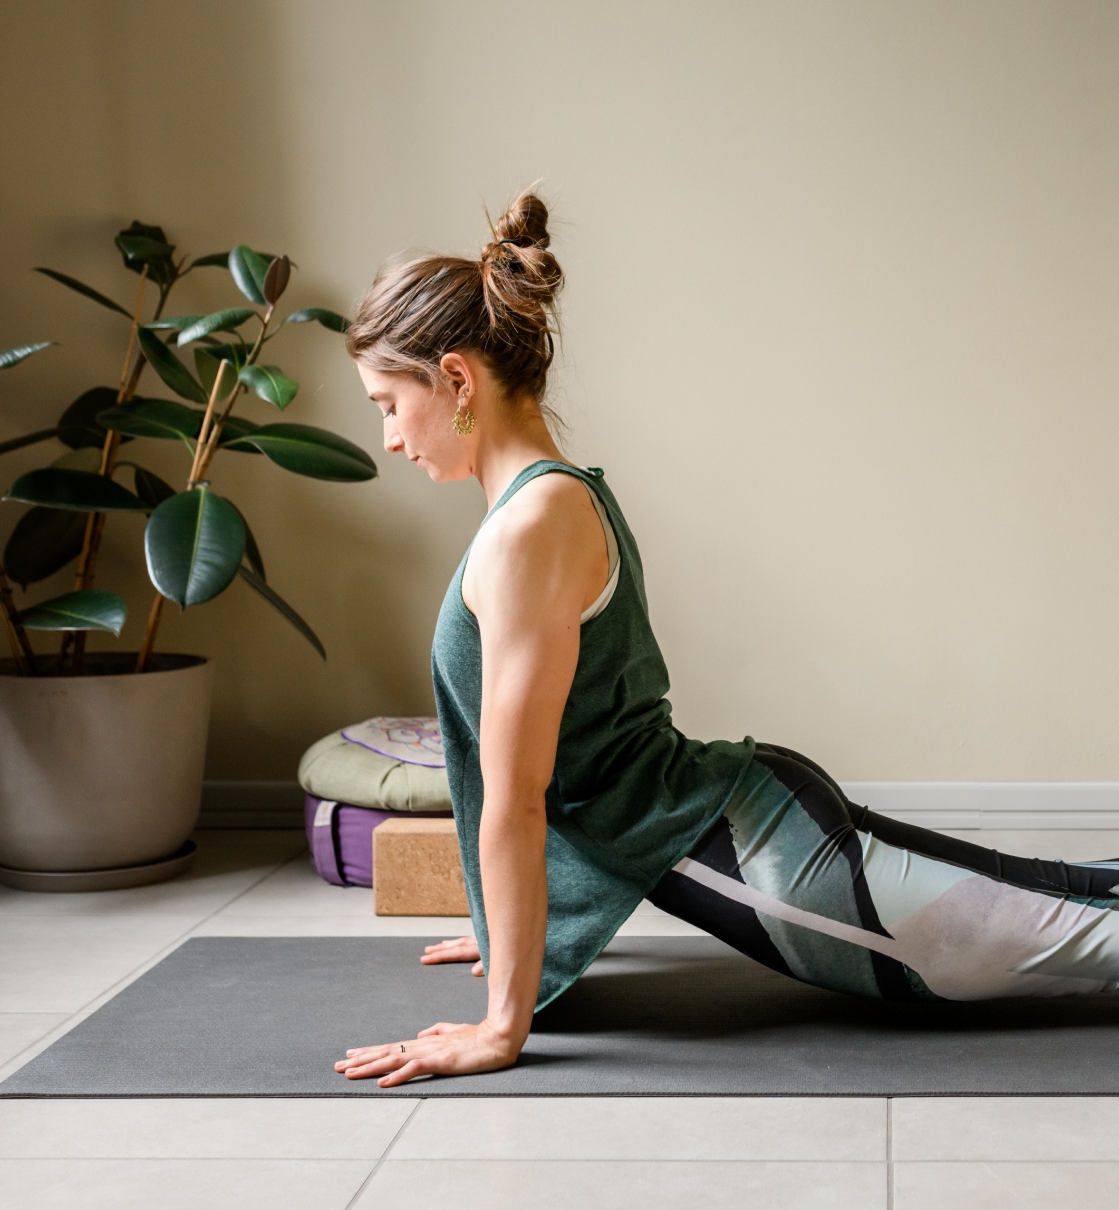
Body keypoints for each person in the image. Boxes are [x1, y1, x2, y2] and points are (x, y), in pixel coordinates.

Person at [334, 192, 1119, 1089]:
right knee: (1077, 887)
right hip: (744, 813)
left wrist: (499, 1027)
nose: (389, 438)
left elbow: (518, 797)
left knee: (1083, 939)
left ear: (458, 378)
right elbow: (583, 776)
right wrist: (509, 927)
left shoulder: (528, 528)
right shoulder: (544, 503)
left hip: (767, 862)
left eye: (390, 404)